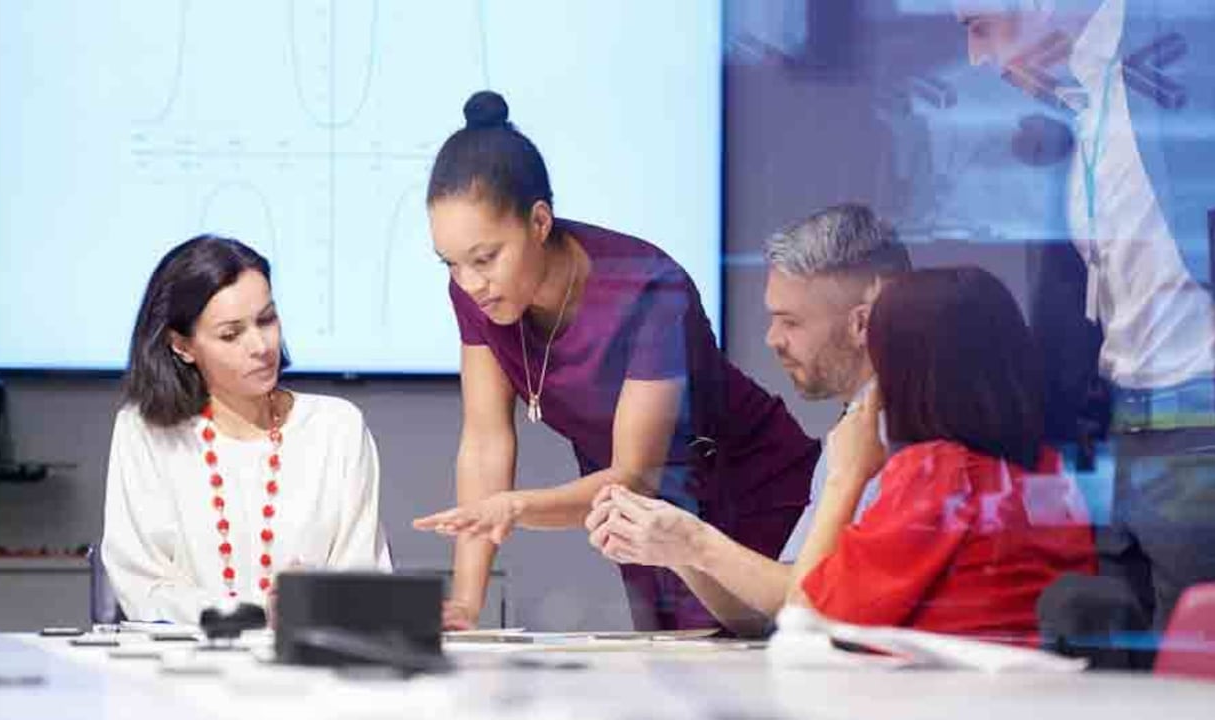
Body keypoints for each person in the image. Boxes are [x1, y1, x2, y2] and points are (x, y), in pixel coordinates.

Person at [411, 91, 820, 631]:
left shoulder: (646, 287)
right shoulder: (474, 291)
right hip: (638, 514)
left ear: (539, 221)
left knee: (765, 670)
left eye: (485, 259)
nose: (470, 283)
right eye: (451, 264)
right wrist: (466, 601)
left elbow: (635, 474)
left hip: (745, 487)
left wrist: (515, 507)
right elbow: (486, 441)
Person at [956, 0, 1215, 662]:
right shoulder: (1083, 102)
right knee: (1122, 649)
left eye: (978, 23)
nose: (977, 56)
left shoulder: (1201, 41)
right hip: (1127, 419)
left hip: (1206, 406)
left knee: (1197, 655)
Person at [585, 203, 910, 635]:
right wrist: (676, 550)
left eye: (790, 322)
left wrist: (696, 542)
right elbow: (772, 614)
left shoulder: (897, 436)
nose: (773, 339)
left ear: (860, 324)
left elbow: (805, 606)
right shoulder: (852, 433)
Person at [789, 267, 1097, 641]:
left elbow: (803, 620)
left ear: (904, 375)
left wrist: (845, 478)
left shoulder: (938, 475)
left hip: (942, 694)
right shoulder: (1049, 471)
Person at [102, 235, 391, 624]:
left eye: (267, 319)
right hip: (182, 672)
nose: (260, 345)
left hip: (312, 670)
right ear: (182, 346)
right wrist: (254, 613)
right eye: (230, 334)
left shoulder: (337, 429)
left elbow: (366, 580)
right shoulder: (144, 431)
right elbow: (143, 587)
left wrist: (315, 601)